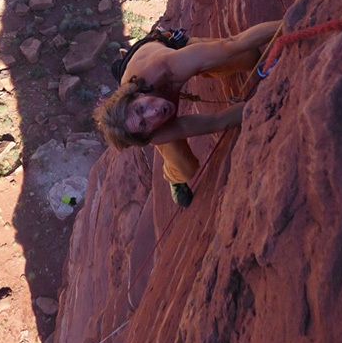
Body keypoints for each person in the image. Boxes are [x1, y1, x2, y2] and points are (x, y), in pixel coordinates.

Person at [93, 21, 279, 207]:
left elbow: (232, 43)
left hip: (166, 50)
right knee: (185, 169)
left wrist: (290, 22)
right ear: (146, 134)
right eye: (144, 124)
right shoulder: (155, 133)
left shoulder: (167, 67)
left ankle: (200, 62)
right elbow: (218, 122)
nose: (154, 113)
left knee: (249, 56)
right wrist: (268, 101)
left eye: (140, 109)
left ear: (138, 94)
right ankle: (173, 178)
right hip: (144, 75)